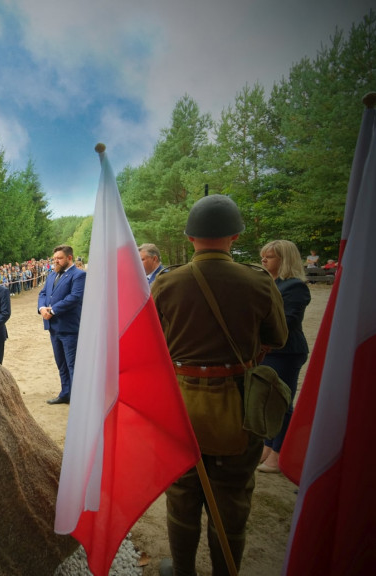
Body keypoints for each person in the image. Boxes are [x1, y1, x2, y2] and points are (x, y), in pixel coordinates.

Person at [151, 195, 286, 576]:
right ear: (235, 236)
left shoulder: (166, 283)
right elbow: (278, 337)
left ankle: (182, 571)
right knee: (232, 499)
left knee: (181, 495)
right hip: (238, 407)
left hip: (180, 406)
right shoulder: (258, 281)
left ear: (190, 238)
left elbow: (151, 342)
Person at [256, 240, 311, 474]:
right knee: (268, 402)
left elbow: (287, 321)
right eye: (263, 256)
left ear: (284, 259)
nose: (264, 260)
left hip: (286, 351)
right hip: (269, 350)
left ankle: (279, 454)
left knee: (282, 402)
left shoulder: (295, 287)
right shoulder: (272, 283)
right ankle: (268, 446)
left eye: (269, 257)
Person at [37, 245, 86, 404]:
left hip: (69, 327)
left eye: (59, 258)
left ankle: (78, 398)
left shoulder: (79, 275)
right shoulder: (52, 275)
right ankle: (65, 393)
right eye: (54, 259)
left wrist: (53, 310)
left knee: (73, 365)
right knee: (61, 364)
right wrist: (42, 308)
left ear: (69, 258)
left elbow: (75, 297)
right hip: (53, 327)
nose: (55, 261)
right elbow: (43, 293)